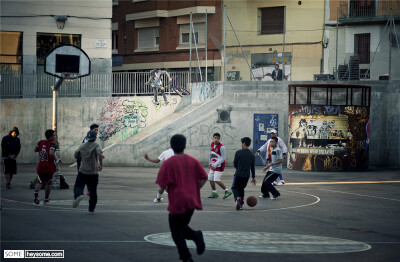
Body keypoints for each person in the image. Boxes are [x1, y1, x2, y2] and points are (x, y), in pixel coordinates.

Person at [156, 134, 208, 262]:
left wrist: (164, 191)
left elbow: (162, 184)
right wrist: (194, 189)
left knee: (176, 231)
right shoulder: (193, 161)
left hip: (177, 201)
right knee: (181, 227)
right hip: (191, 201)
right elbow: (204, 177)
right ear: (185, 145)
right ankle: (196, 237)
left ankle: (187, 255)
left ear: (171, 147)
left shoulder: (168, 163)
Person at [73, 130, 104, 213]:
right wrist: (100, 165)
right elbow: (100, 154)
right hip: (93, 172)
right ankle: (91, 208)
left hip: (82, 171)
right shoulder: (96, 145)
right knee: (93, 191)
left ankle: (78, 195)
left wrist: (82, 156)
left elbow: (76, 154)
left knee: (78, 186)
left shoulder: (82, 145)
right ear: (95, 138)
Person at [34, 129, 59, 204]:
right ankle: (46, 198)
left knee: (40, 182)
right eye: (54, 135)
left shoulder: (41, 142)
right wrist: (57, 159)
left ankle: (36, 196)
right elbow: (51, 153)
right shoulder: (52, 144)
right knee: (49, 183)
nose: (55, 137)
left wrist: (42, 150)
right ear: (50, 137)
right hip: (49, 168)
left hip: (40, 166)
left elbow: (35, 149)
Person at [231, 137, 256, 211]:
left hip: (238, 174)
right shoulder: (252, 155)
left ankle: (237, 199)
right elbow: (252, 167)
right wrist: (253, 177)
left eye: (241, 143)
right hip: (246, 175)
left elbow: (235, 163)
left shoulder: (238, 152)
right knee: (241, 189)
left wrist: (238, 168)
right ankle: (241, 204)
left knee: (234, 188)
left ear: (244, 143)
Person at [207, 133, 232, 199]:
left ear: (219, 139)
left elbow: (223, 158)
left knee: (216, 179)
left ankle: (227, 191)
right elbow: (211, 154)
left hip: (219, 166)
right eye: (215, 137)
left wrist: (215, 165)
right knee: (210, 178)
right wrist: (210, 163)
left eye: (218, 138)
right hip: (213, 165)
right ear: (213, 138)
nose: (216, 139)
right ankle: (214, 192)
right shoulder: (212, 144)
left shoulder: (222, 147)